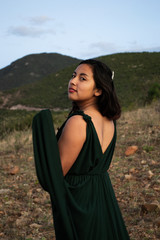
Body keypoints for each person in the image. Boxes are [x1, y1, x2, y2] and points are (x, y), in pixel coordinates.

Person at [32, 59, 130, 239]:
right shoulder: (109, 120)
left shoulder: (78, 122)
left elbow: (55, 176)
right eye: (73, 76)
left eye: (83, 78)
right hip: (103, 196)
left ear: (98, 90)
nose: (73, 81)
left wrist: (41, 134)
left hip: (80, 203)